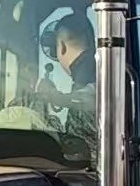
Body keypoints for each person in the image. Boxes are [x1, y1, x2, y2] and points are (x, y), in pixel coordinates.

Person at [36, 12, 97, 159]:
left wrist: (52, 95)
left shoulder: (96, 82)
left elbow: (89, 99)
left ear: (61, 47)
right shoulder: (111, 71)